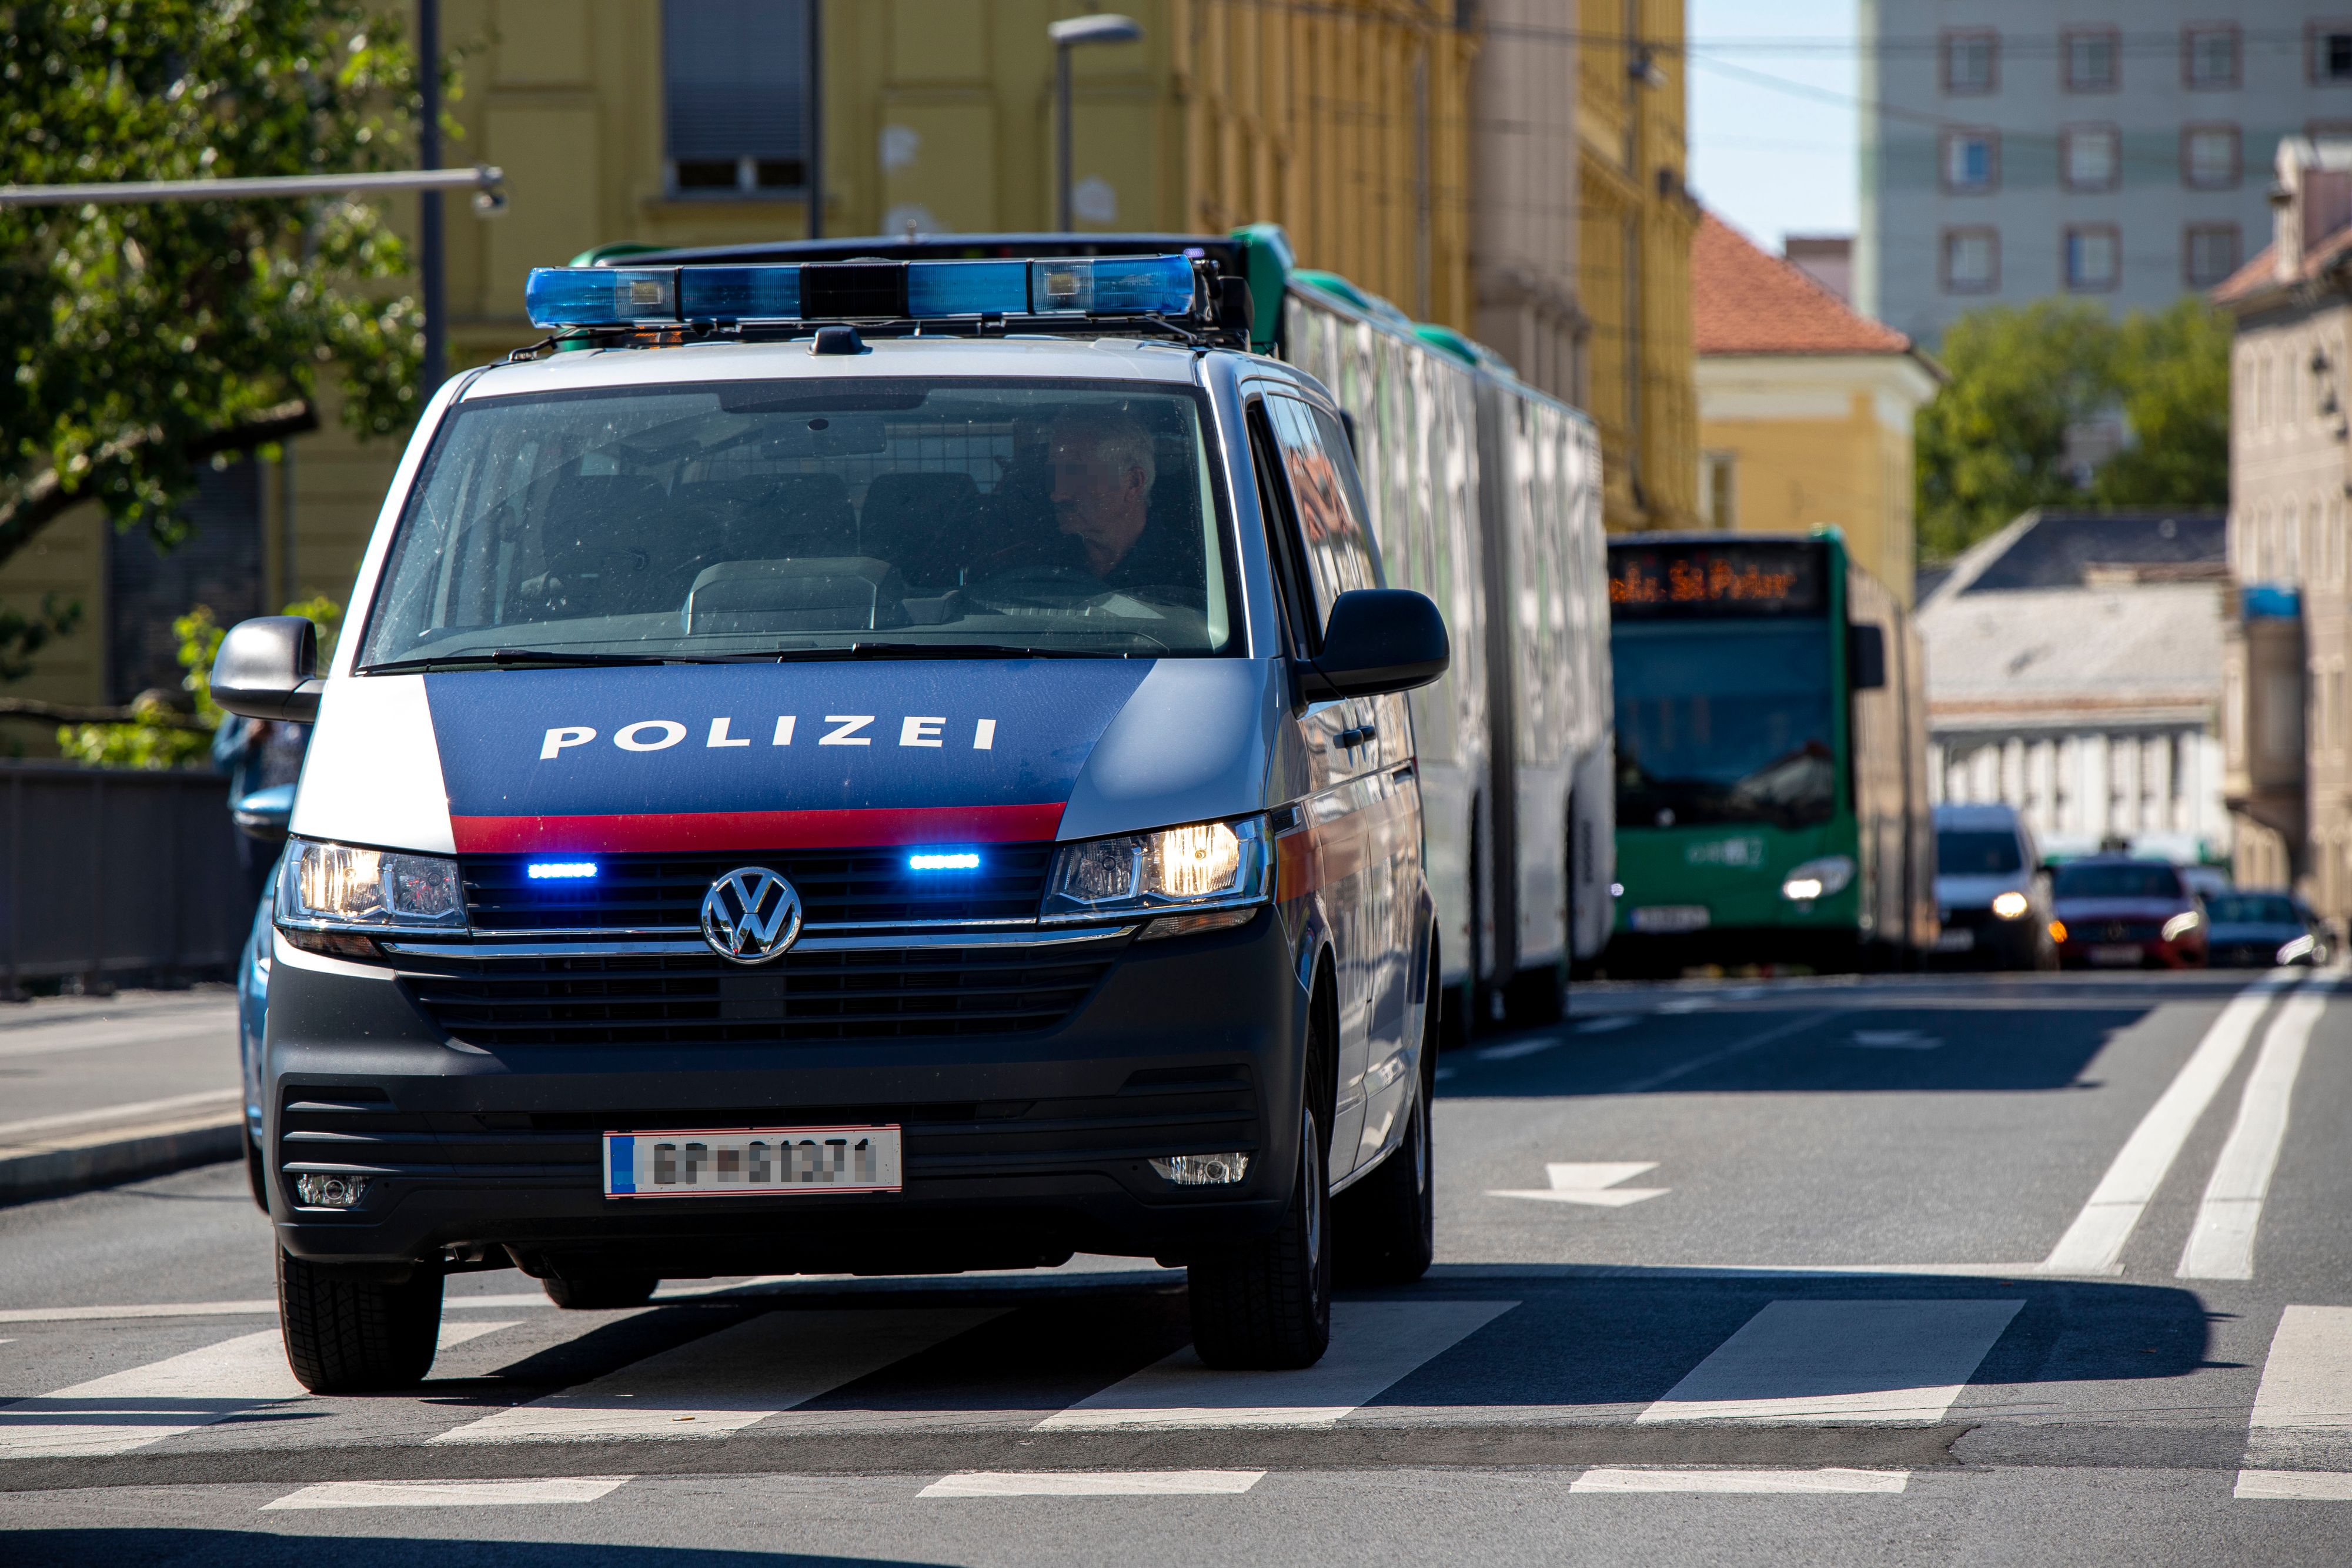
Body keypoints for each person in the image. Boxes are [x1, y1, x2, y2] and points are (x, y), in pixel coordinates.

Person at [1043, 407, 1198, 594]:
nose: (1057, 495)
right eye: (1055, 475)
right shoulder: (1039, 560)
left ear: (1133, 482)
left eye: (1076, 476)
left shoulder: (1192, 573)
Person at [215, 712, 309, 906]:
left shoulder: (307, 708)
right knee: (260, 890)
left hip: (298, 818)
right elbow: (221, 759)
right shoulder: (247, 709)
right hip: (258, 818)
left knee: (298, 889)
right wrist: (249, 739)